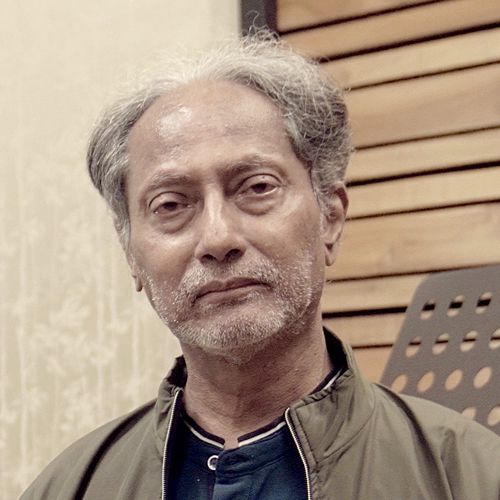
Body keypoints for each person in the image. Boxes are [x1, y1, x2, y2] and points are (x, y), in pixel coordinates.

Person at [22, 33, 500, 500]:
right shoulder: (65, 488)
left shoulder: (472, 476)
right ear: (131, 253)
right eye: (171, 204)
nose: (217, 238)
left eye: (257, 187)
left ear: (330, 217)